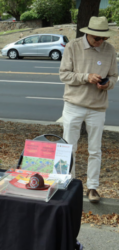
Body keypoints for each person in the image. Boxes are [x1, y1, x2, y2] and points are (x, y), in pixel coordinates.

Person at [59, 16, 118, 203]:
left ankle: (93, 187)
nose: (101, 42)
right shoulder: (73, 47)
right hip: (74, 105)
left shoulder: (109, 50)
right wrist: (86, 77)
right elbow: (64, 75)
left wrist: (107, 84)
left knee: (95, 150)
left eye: (104, 38)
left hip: (98, 107)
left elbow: (114, 76)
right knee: (69, 148)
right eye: (97, 38)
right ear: (88, 33)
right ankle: (69, 183)